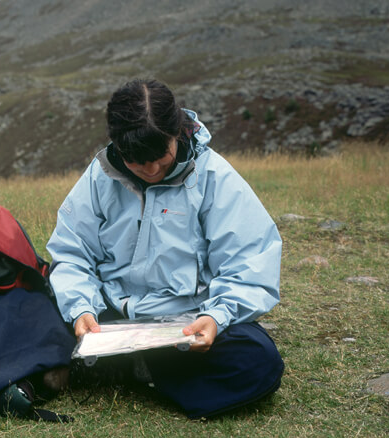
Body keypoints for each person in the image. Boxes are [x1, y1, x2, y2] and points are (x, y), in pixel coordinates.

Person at [47, 78, 285, 418]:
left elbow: (249, 262)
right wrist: (81, 308)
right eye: (136, 161)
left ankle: (130, 369)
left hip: (183, 326)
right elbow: (72, 252)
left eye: (161, 157)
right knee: (25, 307)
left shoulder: (214, 177)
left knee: (258, 360)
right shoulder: (99, 176)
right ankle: (132, 367)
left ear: (177, 132)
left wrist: (215, 317)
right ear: (116, 145)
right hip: (106, 316)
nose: (151, 170)